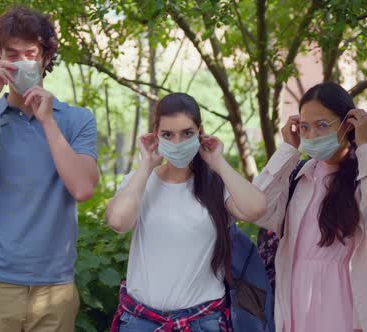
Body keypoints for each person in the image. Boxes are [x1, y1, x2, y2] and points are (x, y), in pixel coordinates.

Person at [0, 6, 98, 332]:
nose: (22, 62)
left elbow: (83, 189)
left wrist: (48, 121)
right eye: (12, 54)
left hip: (55, 290)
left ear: (45, 57)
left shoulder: (76, 120)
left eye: (30, 53)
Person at [106, 93, 267, 331]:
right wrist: (146, 165)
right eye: (168, 134)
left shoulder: (215, 185)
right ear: (156, 135)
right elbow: (118, 221)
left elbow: (256, 209)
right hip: (141, 321)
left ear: (200, 132)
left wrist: (218, 162)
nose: (178, 143)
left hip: (202, 321)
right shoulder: (140, 181)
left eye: (187, 133)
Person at [251, 82, 367, 332]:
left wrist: (365, 148)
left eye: (322, 125)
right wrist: (287, 151)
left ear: (348, 124)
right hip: (295, 304)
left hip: (343, 310)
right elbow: (255, 208)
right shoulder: (299, 176)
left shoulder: (362, 174)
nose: (312, 135)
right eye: (305, 127)